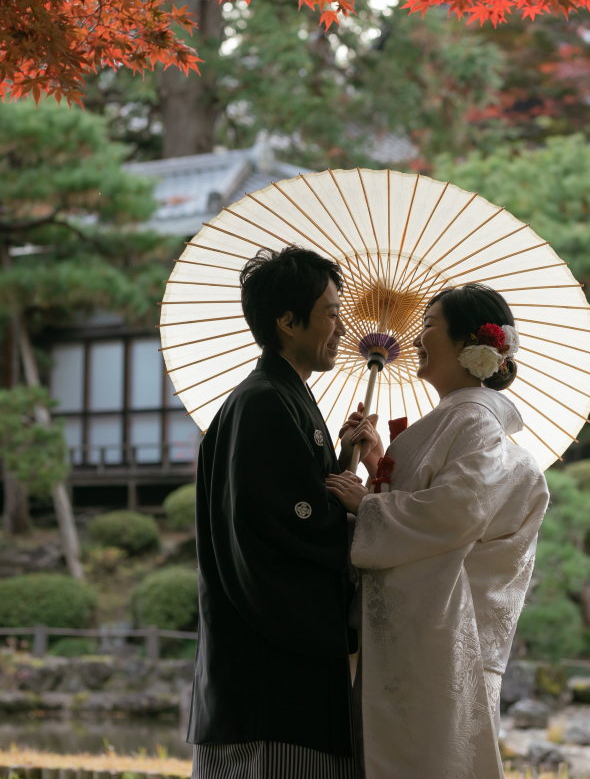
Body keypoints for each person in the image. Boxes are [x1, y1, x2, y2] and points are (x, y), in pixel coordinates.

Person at [327, 283, 550, 779]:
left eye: (429, 324)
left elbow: (455, 513)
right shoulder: (461, 419)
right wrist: (377, 460)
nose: (419, 335)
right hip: (425, 630)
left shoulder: (473, 420)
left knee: (421, 759)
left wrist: (369, 506)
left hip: (437, 631)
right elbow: (431, 506)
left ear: (469, 345)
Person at [188, 245, 377, 779]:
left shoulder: (277, 397)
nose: (343, 327)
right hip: (268, 681)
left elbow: (295, 504)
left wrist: (344, 460)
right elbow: (283, 529)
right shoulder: (265, 402)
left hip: (265, 670)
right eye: (332, 313)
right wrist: (367, 517)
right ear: (287, 321)